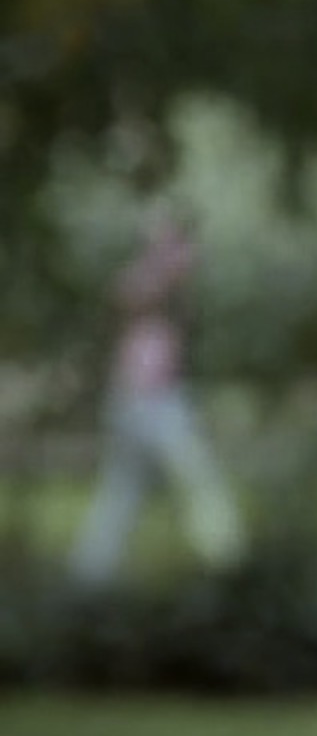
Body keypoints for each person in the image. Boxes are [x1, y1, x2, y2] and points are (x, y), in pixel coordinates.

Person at [69, 205, 246, 586]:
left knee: (177, 480)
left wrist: (170, 257)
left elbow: (177, 293)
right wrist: (162, 256)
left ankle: (226, 558)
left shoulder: (175, 286)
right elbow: (129, 294)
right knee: (155, 482)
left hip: (159, 396)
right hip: (140, 399)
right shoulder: (139, 280)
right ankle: (226, 558)